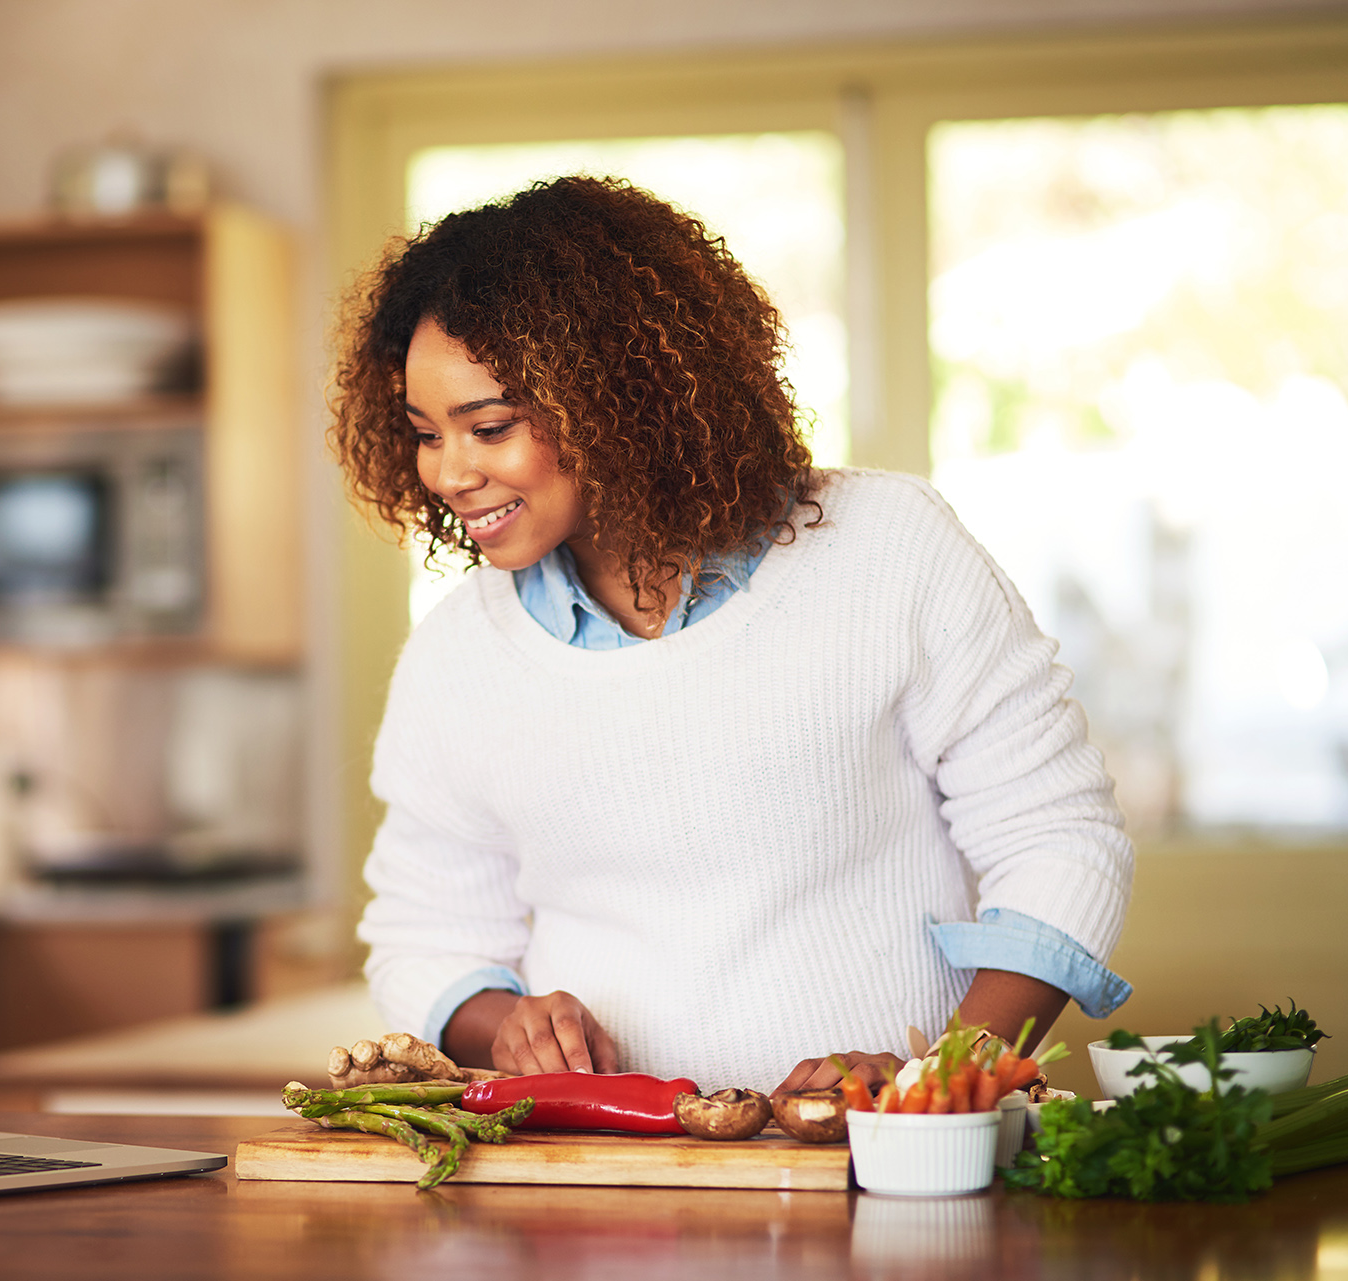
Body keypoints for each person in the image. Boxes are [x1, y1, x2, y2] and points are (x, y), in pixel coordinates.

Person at [330, 176, 1134, 1095]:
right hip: (610, 1187)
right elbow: (423, 938)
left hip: (887, 1164)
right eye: (426, 432)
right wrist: (510, 1024)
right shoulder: (457, 657)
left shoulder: (890, 548)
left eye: (491, 426)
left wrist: (939, 1081)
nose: (449, 471)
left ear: (621, 396)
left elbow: (1059, 840)